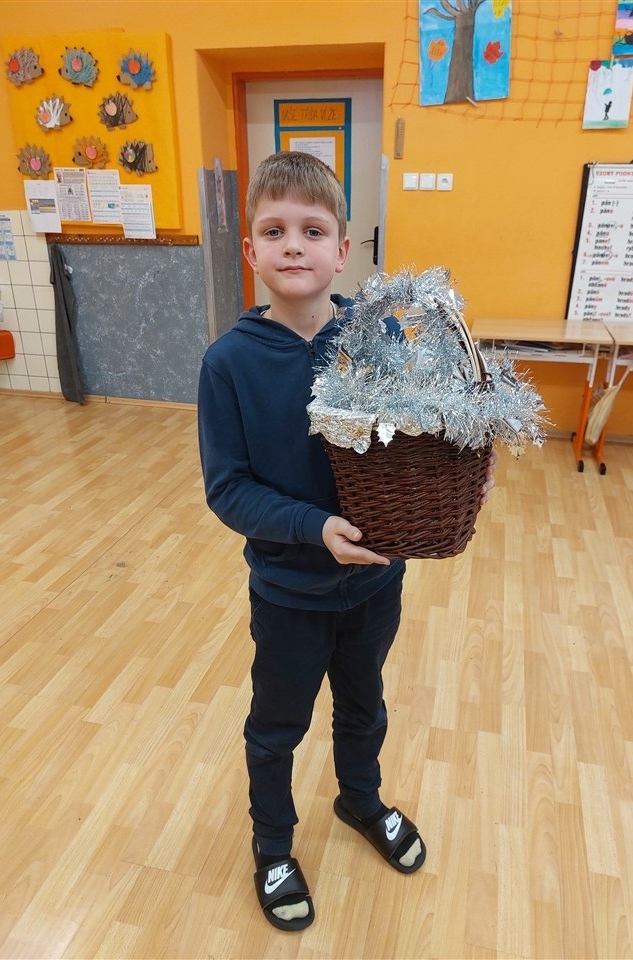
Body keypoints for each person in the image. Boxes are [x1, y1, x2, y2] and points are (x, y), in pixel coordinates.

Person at [198, 151, 496, 932]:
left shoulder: (378, 341)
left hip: (374, 583)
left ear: (342, 250)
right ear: (251, 251)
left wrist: (465, 461)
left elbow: (430, 427)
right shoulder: (228, 363)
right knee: (278, 725)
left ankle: (360, 799)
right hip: (289, 592)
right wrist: (313, 527)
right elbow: (228, 488)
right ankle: (272, 844)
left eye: (312, 230)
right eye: (274, 231)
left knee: (364, 706)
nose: (293, 245)